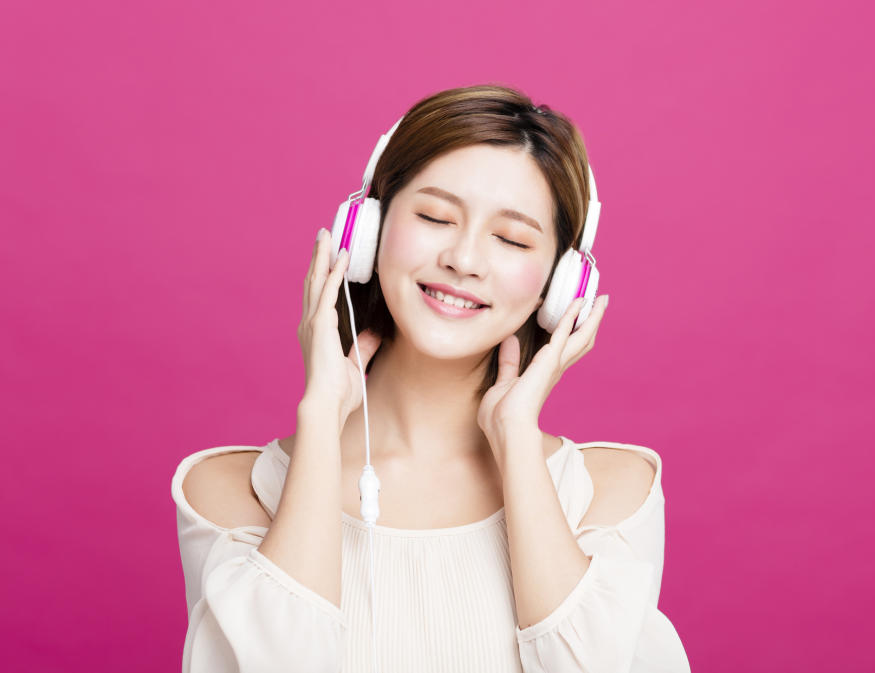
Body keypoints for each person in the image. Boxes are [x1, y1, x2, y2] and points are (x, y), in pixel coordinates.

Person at [171, 83, 691, 673]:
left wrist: (517, 436)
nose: (464, 260)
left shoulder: (607, 496)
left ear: (561, 285)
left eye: (512, 238)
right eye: (435, 216)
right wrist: (318, 419)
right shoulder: (234, 493)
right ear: (366, 229)